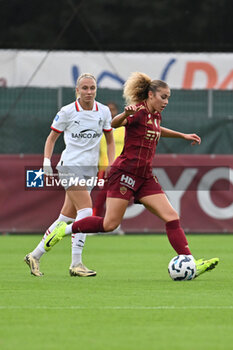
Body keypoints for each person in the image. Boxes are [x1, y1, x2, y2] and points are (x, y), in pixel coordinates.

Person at [43, 72, 219, 278]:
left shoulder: (155, 115)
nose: (166, 101)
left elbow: (157, 129)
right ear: (150, 95)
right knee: (109, 224)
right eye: (164, 97)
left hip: (145, 177)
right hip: (124, 173)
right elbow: (114, 124)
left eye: (168, 97)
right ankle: (63, 231)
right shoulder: (137, 111)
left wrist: (182, 135)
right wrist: (126, 114)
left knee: (172, 217)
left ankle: (190, 262)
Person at [24, 73, 115, 277]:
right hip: (69, 166)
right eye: (84, 88)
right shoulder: (66, 112)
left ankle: (34, 255)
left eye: (92, 88)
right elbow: (51, 139)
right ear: (77, 90)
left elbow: (110, 140)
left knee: (66, 217)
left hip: (90, 169)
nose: (89, 92)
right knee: (86, 211)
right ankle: (76, 263)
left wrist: (111, 163)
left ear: (96, 89)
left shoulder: (104, 111)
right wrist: (47, 162)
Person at [93, 102, 125, 234]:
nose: (111, 112)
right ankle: (94, 224)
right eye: (109, 110)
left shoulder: (124, 129)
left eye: (113, 109)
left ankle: (114, 225)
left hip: (121, 168)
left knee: (120, 197)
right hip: (104, 169)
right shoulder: (99, 128)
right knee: (102, 197)